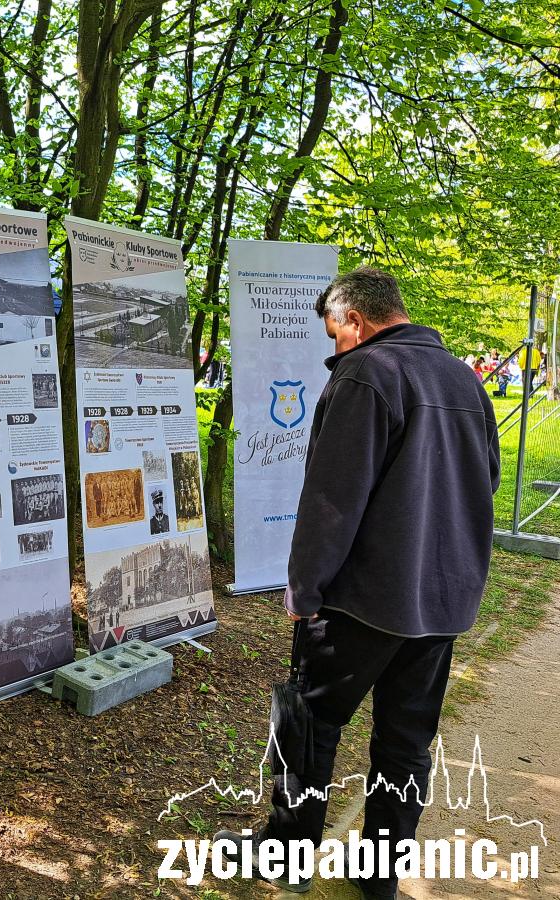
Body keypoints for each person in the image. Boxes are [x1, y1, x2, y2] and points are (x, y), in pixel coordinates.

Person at [215, 267, 499, 898]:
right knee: (406, 741)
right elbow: (486, 482)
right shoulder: (465, 379)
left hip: (363, 600)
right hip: (442, 602)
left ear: (353, 320)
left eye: (333, 333)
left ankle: (285, 857)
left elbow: (331, 500)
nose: (333, 346)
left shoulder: (367, 374)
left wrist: (304, 590)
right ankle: (378, 879)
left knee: (308, 722)